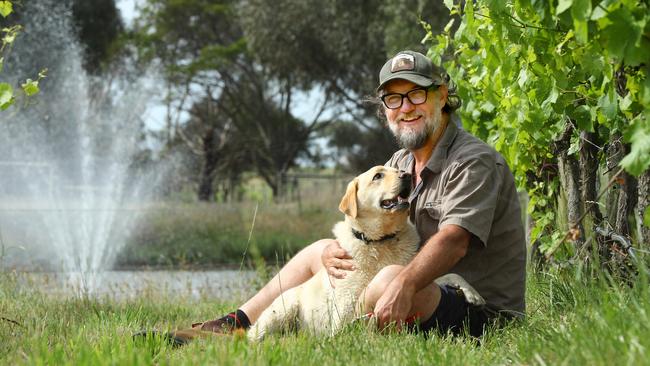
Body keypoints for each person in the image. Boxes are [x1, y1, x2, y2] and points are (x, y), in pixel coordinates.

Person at [198, 50, 527, 337]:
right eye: (393, 99)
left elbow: (454, 241)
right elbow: (366, 217)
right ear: (385, 110)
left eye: (416, 95)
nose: (405, 107)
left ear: (441, 96)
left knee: (388, 279)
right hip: (424, 290)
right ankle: (237, 323)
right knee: (320, 249)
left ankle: (343, 329)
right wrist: (334, 251)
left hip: (480, 313)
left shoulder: (473, 161)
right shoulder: (400, 163)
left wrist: (405, 283)